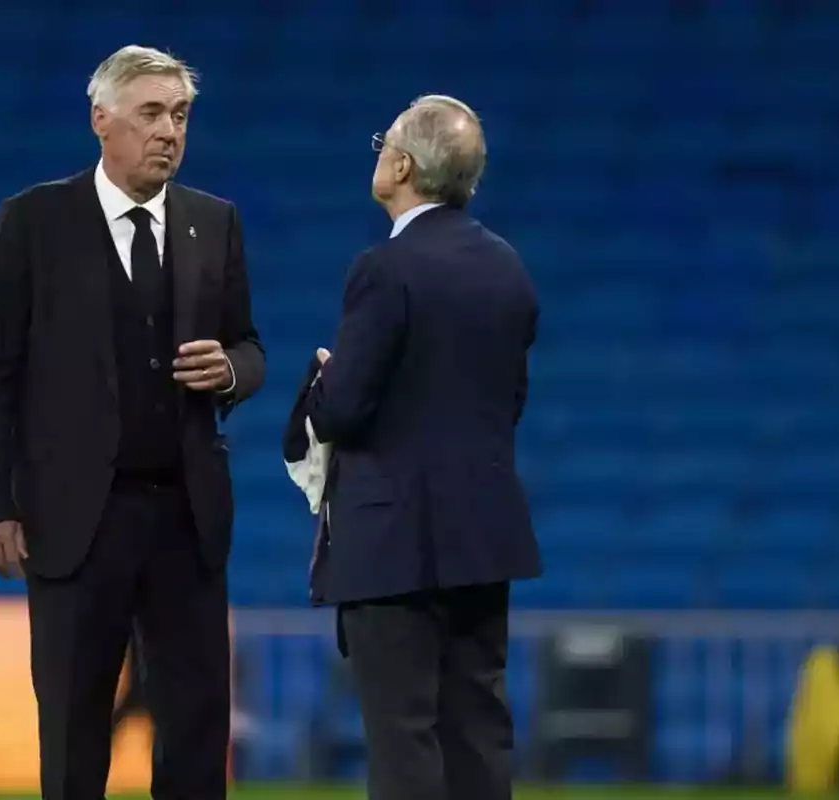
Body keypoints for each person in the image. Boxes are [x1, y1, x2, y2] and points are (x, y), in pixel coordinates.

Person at [0, 45, 264, 799]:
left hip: (185, 517)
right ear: (102, 120)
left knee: (196, 727)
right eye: (152, 113)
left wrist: (230, 370)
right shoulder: (32, 221)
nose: (170, 132)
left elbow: (250, 346)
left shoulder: (212, 222)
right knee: (73, 723)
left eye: (181, 116)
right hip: (74, 520)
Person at [301, 95, 542, 800]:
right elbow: (511, 403)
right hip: (482, 534)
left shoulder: (385, 268)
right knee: (478, 729)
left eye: (386, 143)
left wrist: (324, 379)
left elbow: (343, 409)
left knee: (403, 733)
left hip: (392, 540)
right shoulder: (509, 268)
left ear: (402, 164)